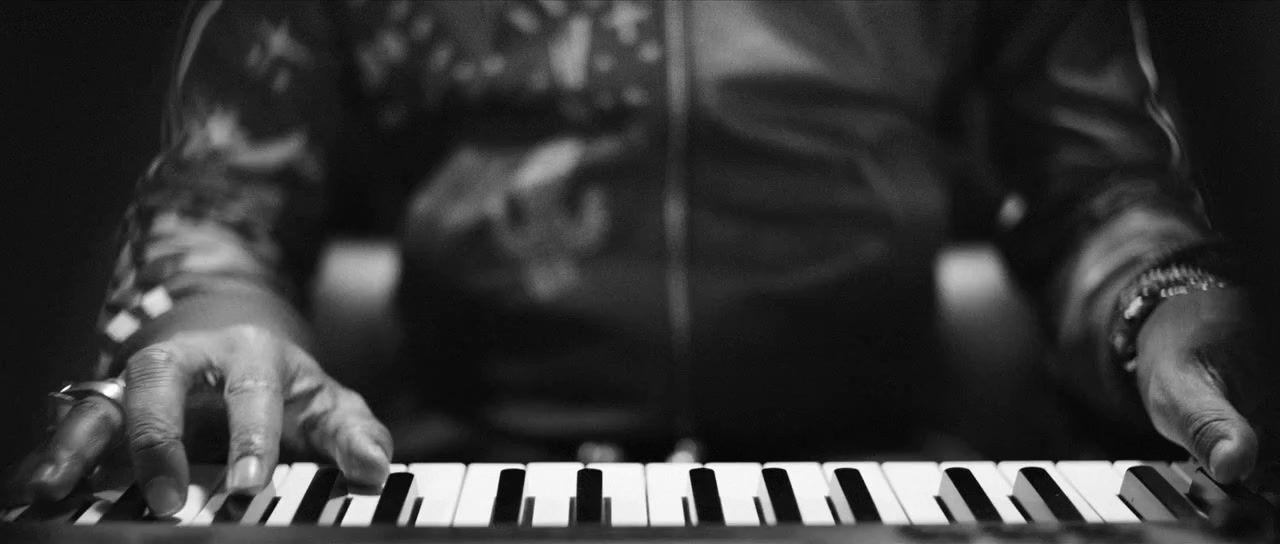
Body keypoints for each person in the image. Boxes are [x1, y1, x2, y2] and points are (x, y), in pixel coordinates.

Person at [7, 0, 1275, 519]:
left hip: (891, 470)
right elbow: (226, 191)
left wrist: (1164, 301)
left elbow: (1094, 180)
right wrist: (221, 320)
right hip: (455, 469)